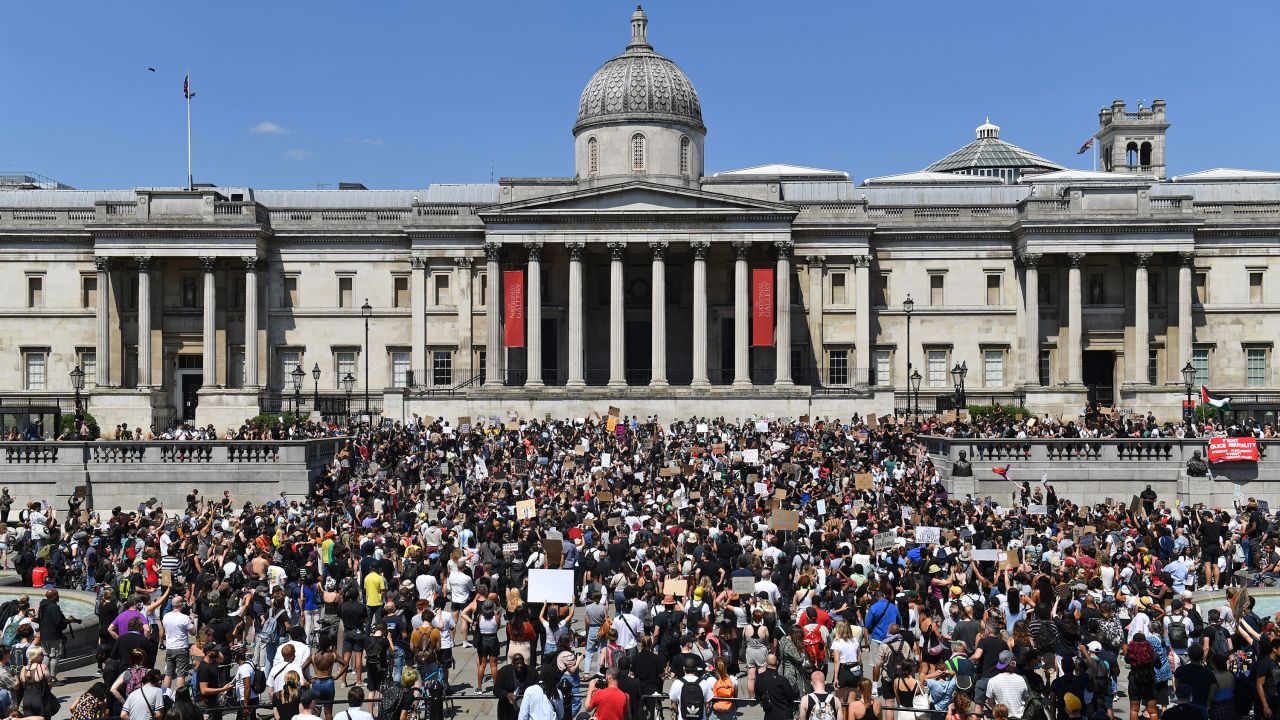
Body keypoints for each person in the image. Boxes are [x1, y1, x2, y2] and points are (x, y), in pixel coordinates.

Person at [161, 597, 193, 693]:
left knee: (168, 674)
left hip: (170, 648)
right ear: (181, 605)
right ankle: (179, 697)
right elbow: (193, 632)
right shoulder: (184, 618)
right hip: (181, 648)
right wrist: (192, 622)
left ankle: (165, 695)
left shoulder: (166, 616)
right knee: (181, 674)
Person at [983, 651, 1028, 720]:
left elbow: (990, 703)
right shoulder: (1021, 679)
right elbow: (1026, 698)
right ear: (1013, 663)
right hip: (1019, 717)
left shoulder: (992, 681)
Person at [755, 654, 801, 720]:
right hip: (784, 714)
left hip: (769, 715)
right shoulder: (782, 680)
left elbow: (758, 696)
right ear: (777, 663)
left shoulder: (759, 678)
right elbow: (790, 697)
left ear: (766, 663)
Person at [669, 655, 715, 720]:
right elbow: (708, 705)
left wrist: (679, 712)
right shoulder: (704, 683)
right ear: (696, 669)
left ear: (683, 668)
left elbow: (673, 705)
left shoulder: (677, 683)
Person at [494, 652, 535, 720]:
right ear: (512, 663)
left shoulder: (532, 672)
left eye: (521, 663)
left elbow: (537, 688)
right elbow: (496, 689)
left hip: (526, 704)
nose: (520, 665)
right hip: (507, 706)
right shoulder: (504, 672)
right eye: (517, 664)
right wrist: (507, 694)